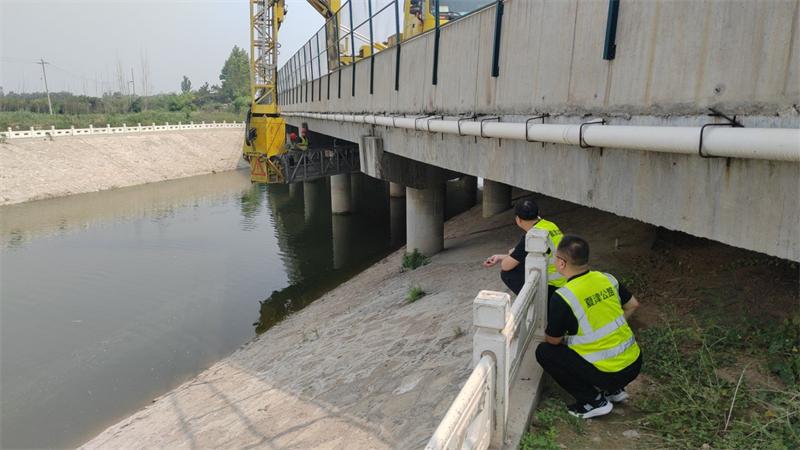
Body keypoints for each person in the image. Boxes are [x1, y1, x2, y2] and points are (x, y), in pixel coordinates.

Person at [535, 235, 642, 419]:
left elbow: (553, 340)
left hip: (610, 373)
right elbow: (633, 304)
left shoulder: (564, 296)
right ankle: (614, 391)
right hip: (634, 364)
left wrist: (569, 340)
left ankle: (593, 401)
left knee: (544, 351)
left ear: (561, 263)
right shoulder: (607, 278)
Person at [483, 198, 565, 298]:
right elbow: (527, 255)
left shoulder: (533, 236)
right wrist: (500, 257)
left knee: (507, 274)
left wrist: (509, 256)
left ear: (518, 219)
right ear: (537, 213)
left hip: (553, 286)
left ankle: (533, 300)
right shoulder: (549, 225)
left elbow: (506, 266)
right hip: (565, 277)